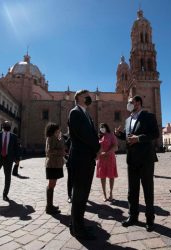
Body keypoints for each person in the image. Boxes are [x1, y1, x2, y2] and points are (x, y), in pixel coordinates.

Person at [114, 95, 159, 232]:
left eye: (131, 102)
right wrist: (120, 135)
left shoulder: (148, 116)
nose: (129, 104)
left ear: (138, 103)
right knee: (132, 190)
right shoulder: (128, 120)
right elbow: (129, 138)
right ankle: (132, 216)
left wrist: (139, 139)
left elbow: (155, 134)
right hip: (132, 159)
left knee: (147, 189)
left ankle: (149, 219)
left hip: (146, 159)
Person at [68, 89, 100, 240]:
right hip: (80, 159)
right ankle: (77, 228)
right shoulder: (75, 112)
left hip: (87, 159)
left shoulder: (86, 114)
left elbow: (92, 134)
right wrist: (98, 148)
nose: (89, 98)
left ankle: (77, 224)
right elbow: (84, 135)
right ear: (79, 98)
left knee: (83, 194)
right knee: (79, 195)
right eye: (86, 96)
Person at [44, 122, 65, 214]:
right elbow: (49, 151)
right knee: (51, 184)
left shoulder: (55, 137)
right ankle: (49, 207)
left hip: (56, 164)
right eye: (57, 129)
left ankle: (50, 205)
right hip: (52, 165)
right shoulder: (51, 138)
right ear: (53, 130)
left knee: (52, 184)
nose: (59, 130)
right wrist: (61, 151)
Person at [96, 123, 118, 202]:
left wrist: (107, 152)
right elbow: (96, 148)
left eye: (103, 127)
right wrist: (97, 155)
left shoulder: (111, 135)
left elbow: (115, 146)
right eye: (101, 127)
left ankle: (111, 193)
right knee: (102, 176)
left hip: (110, 158)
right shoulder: (98, 136)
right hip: (101, 159)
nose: (102, 128)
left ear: (106, 127)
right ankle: (104, 194)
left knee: (111, 175)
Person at [62, 129, 73, 203]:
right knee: (70, 178)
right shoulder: (67, 137)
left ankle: (77, 194)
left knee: (78, 179)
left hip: (79, 160)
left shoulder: (80, 135)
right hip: (70, 161)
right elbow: (64, 149)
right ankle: (69, 195)